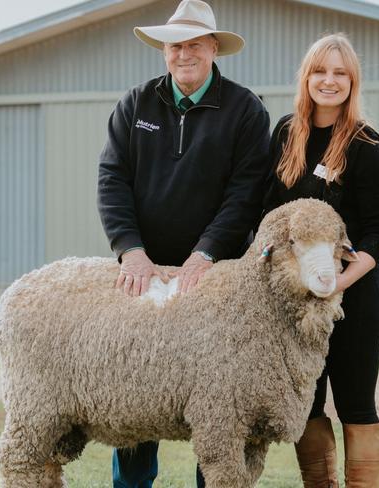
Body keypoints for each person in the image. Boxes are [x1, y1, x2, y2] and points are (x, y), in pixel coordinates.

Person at [97, 0, 270, 486]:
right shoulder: (136, 105)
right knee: (137, 389)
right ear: (164, 51)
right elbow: (112, 179)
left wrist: (207, 252)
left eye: (194, 44)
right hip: (145, 272)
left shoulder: (245, 110)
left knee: (217, 397)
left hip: (215, 277)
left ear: (213, 48)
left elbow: (247, 191)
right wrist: (130, 248)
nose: (184, 54)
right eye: (175, 45)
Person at [263, 33, 379, 488]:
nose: (329, 80)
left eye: (340, 72)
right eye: (320, 71)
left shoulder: (366, 145)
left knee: (356, 404)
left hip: (351, 298)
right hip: (298, 305)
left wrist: (339, 283)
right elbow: (266, 213)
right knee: (309, 404)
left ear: (352, 80)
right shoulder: (285, 135)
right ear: (306, 78)